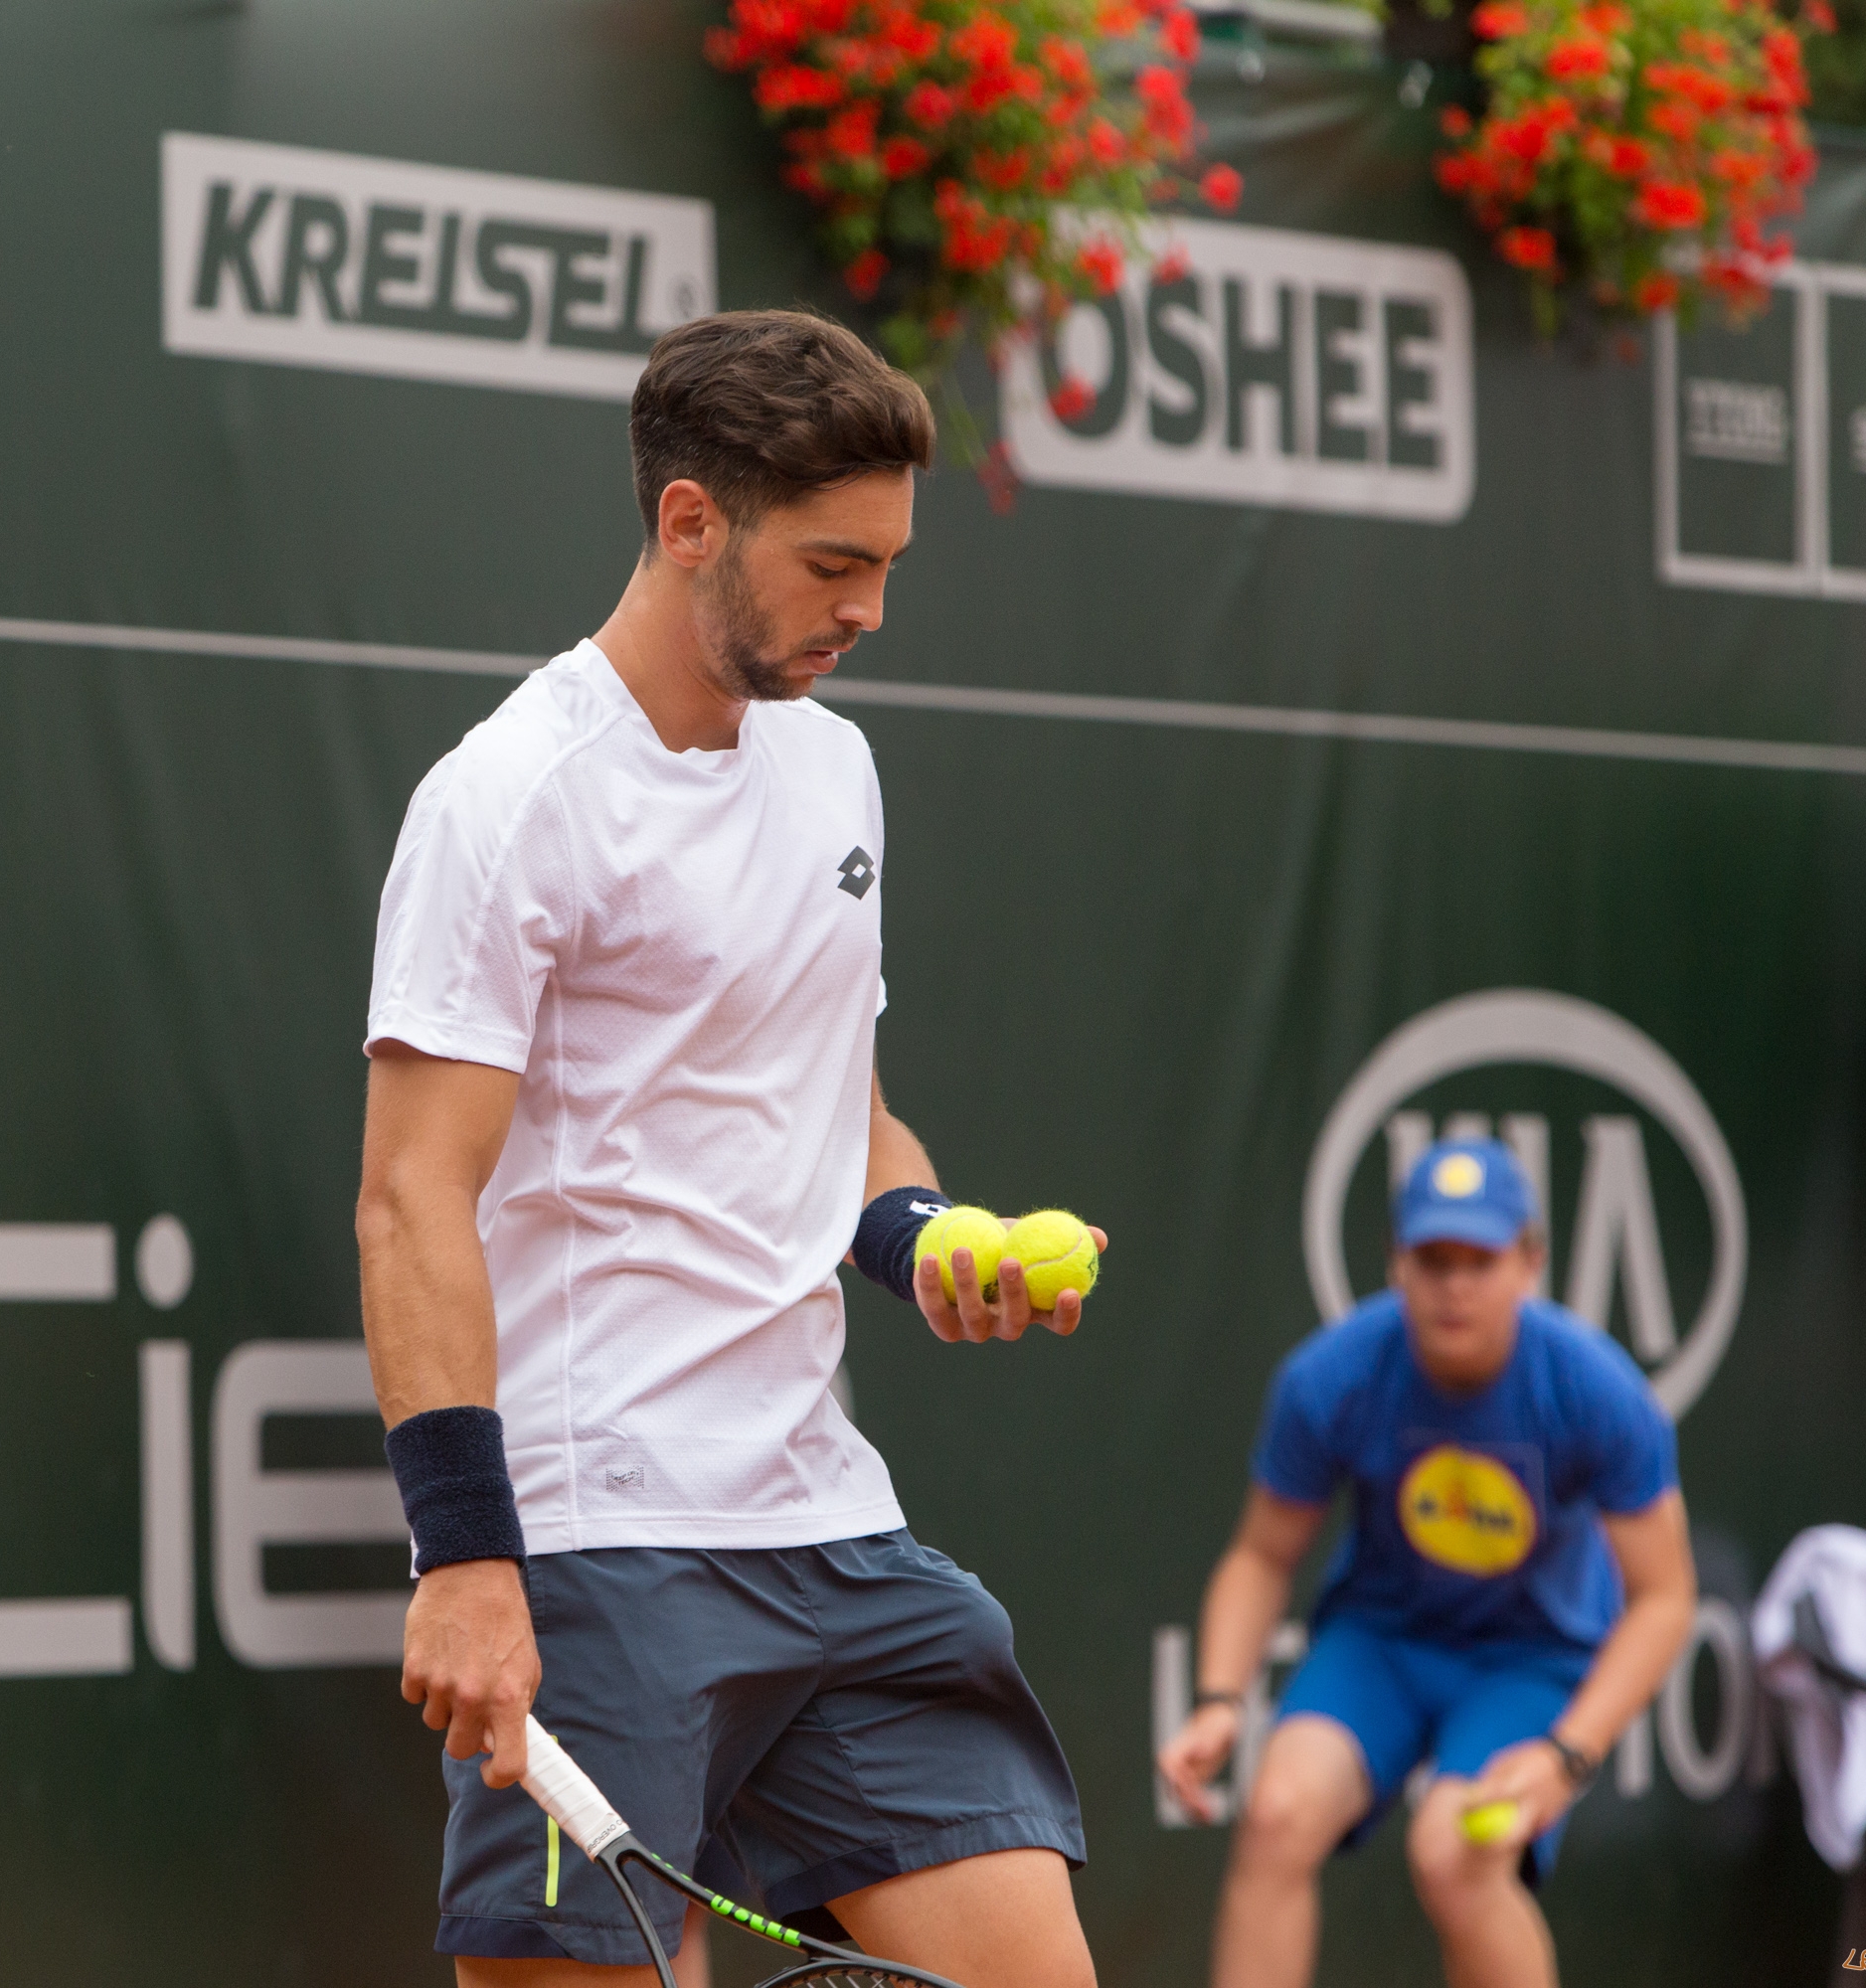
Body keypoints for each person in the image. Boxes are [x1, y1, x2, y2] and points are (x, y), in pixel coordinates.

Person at [356, 309, 1105, 1988]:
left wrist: (925, 1235)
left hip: (829, 1522)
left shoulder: (836, 771)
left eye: (888, 565)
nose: (870, 609)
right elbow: (410, 1201)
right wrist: (468, 1558)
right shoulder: (513, 798)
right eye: (833, 564)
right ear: (691, 520)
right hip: (601, 1537)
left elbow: (838, 1110)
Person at [1155, 1137, 1696, 1988]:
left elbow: (1665, 1598)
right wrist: (1222, 1698)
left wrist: (1568, 1755)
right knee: (1276, 1814)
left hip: (1530, 1659)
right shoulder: (1329, 1377)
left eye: (1480, 1260)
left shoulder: (1598, 1390)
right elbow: (1261, 1556)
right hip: (1383, 1641)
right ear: (1395, 1262)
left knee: (1454, 1854)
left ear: (1530, 1263)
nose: (1455, 1285)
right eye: (1434, 1259)